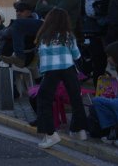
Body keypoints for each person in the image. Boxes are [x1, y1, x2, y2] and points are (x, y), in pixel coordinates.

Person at [34, 8, 88, 149]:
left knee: (44, 100)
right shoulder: (68, 35)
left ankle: (51, 134)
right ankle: (79, 130)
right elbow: (76, 55)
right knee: (76, 98)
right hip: (68, 68)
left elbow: (40, 55)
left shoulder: (43, 36)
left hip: (51, 70)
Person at [84, 0, 118, 85]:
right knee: (99, 64)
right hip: (98, 34)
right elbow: (90, 12)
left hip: (113, 33)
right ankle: (99, 91)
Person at [92, 41, 118, 147]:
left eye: (109, 56)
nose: (107, 59)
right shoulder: (116, 68)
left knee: (115, 104)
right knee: (97, 101)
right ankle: (111, 131)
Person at [0, 2, 43, 68]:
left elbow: (4, 33)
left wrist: (8, 32)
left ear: (29, 13)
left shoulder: (32, 25)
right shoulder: (15, 24)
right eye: (17, 11)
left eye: (21, 11)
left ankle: (19, 58)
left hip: (25, 56)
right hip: (6, 56)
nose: (18, 13)